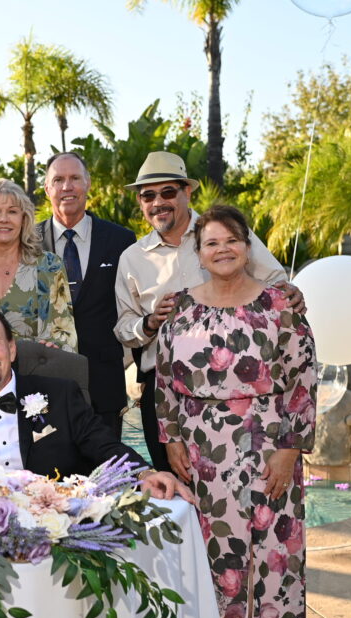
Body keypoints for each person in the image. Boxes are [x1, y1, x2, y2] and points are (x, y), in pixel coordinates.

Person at [155, 206, 317, 618]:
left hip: (269, 444)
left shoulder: (280, 305)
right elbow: (164, 379)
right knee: (214, 551)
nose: (222, 249)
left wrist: (289, 449)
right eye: (212, 242)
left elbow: (303, 379)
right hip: (202, 449)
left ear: (247, 247)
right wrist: (171, 438)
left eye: (232, 240)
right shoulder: (179, 306)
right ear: (199, 253)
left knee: (269, 551)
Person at [115, 151, 304, 473]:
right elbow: (123, 327)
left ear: (187, 192)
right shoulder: (132, 258)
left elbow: (275, 284)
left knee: (243, 482)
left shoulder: (223, 235)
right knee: (174, 486)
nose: (158, 202)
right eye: (148, 195)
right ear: (140, 202)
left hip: (240, 380)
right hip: (164, 391)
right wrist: (149, 322)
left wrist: (290, 293)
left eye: (167, 192)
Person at [0, 307, 192, 501]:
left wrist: (144, 474)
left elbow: (103, 445)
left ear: (11, 349)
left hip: (54, 526)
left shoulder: (60, 395)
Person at [37, 152, 137, 438]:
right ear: (47, 188)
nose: (67, 186)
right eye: (58, 180)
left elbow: (133, 307)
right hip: (44, 385)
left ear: (88, 183)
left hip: (104, 384)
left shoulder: (121, 240)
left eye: (74, 178)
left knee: (107, 464)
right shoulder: (28, 242)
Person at [0, 179, 77, 352]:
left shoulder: (49, 266)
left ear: (23, 219)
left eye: (12, 212)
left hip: (36, 366)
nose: (3, 219)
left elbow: (64, 335)